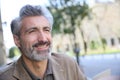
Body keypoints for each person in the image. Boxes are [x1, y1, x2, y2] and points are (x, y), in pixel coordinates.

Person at [0, 4, 86, 80]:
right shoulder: (4, 77)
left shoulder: (68, 64)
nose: (43, 39)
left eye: (46, 30)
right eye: (32, 31)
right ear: (17, 40)